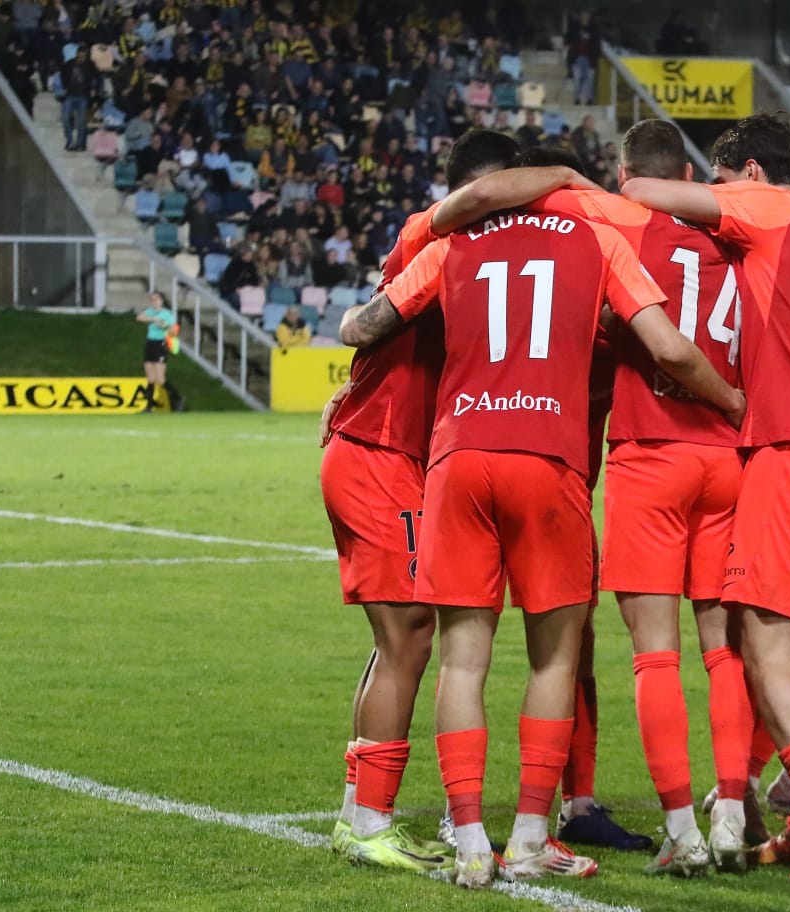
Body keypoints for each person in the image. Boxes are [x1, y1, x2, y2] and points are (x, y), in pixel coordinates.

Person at [341, 144, 745, 891]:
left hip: (460, 457)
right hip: (549, 459)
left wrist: (353, 335)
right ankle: (530, 835)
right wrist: (732, 401)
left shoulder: (455, 242)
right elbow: (668, 347)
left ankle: (470, 841)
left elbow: (363, 327)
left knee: (463, 659)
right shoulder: (600, 240)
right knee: (555, 658)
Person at [623, 113, 790, 887]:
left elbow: (642, 188)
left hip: (789, 451)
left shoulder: (767, 206)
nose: (719, 197)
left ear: (754, 173)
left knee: (763, 652)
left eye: (725, 180)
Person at [317, 131, 522, 876]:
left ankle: (358, 815)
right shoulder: (427, 236)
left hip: (386, 454)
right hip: (380, 457)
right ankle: (372, 823)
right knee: (408, 638)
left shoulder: (481, 260)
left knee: (397, 640)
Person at [136, 292, 183, 412]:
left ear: (161, 301)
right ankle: (149, 406)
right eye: (152, 300)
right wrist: (153, 319)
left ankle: (177, 397)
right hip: (150, 343)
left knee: (160, 378)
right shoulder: (150, 312)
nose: (154, 302)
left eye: (156, 299)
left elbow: (174, 332)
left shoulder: (167, 314)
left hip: (160, 344)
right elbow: (139, 317)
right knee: (150, 378)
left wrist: (164, 326)